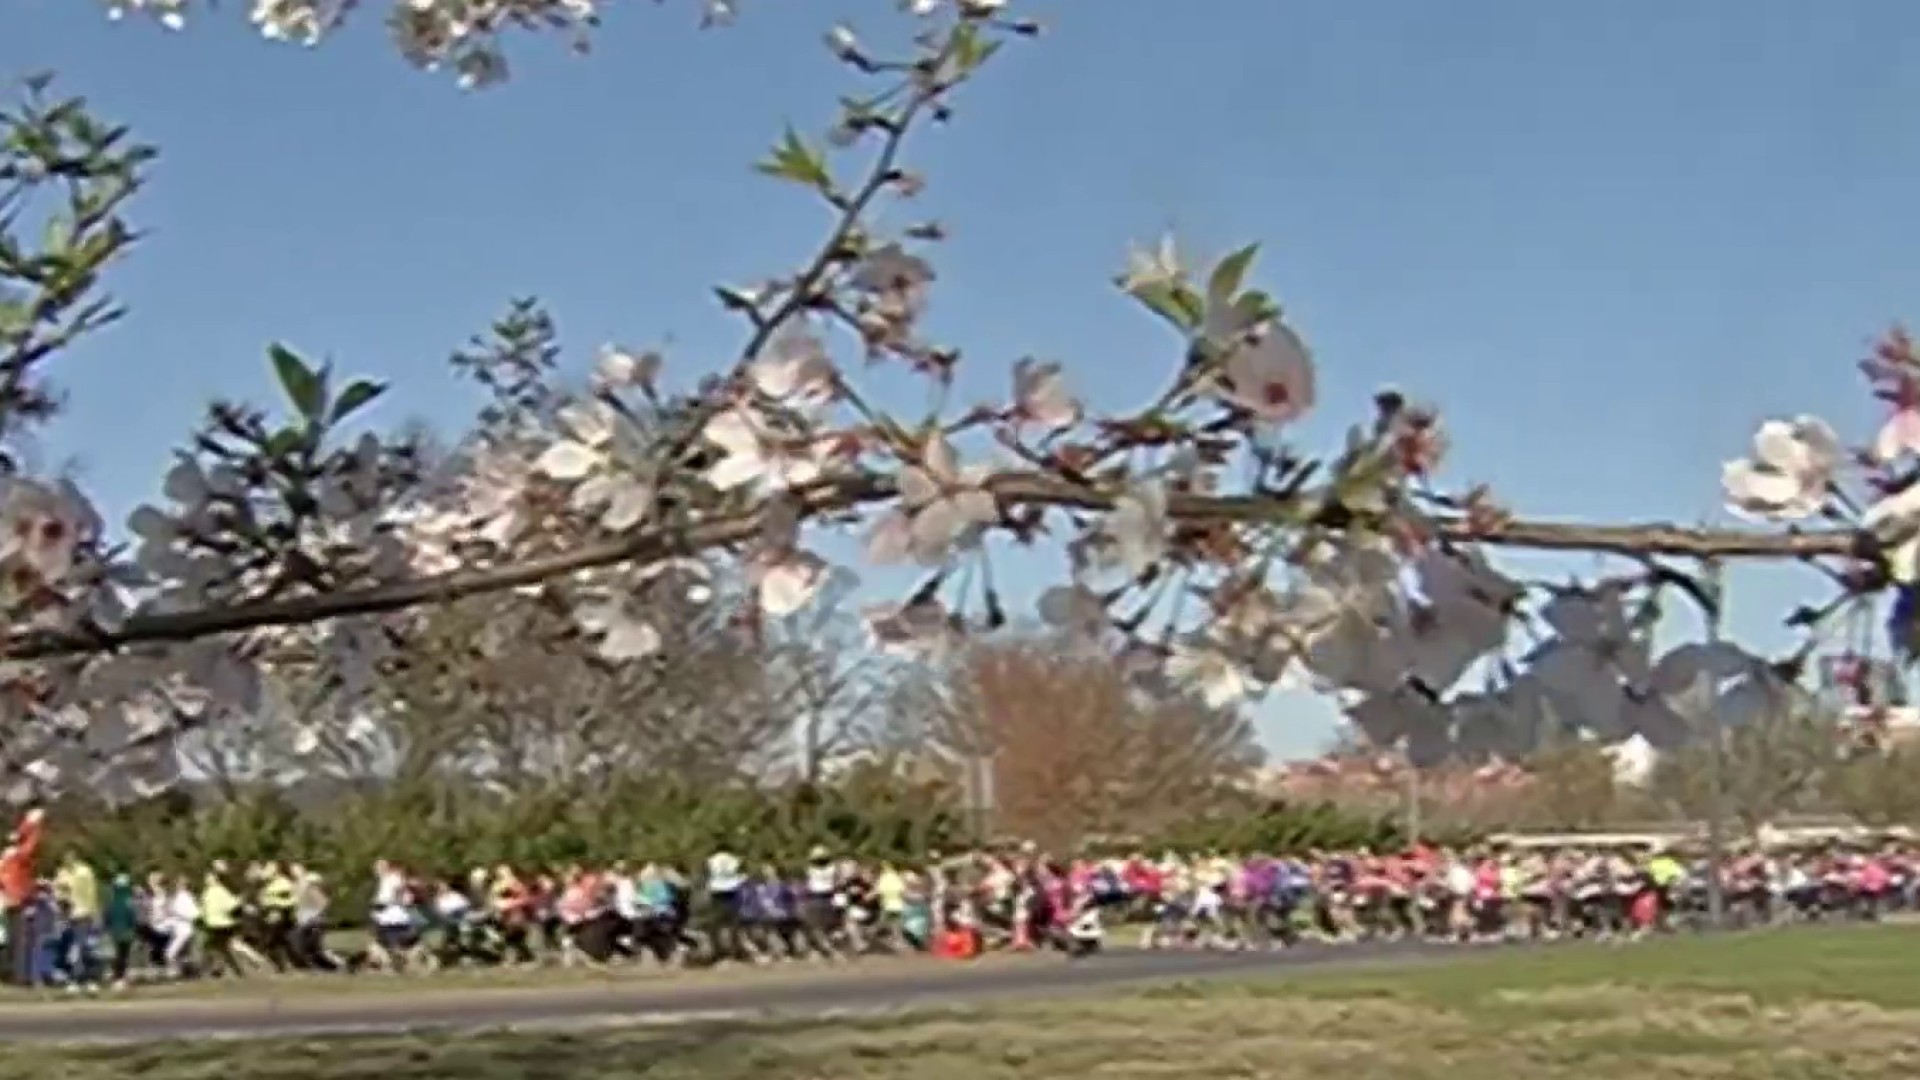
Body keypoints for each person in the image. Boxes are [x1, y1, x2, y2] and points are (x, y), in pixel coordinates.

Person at [0, 807, 46, 986]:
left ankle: (12, 973)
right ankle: (20, 976)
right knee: (21, 941)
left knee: (12, 940)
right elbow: (30, 847)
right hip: (17, 900)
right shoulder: (16, 856)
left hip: (9, 900)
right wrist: (34, 826)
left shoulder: (6, 858)